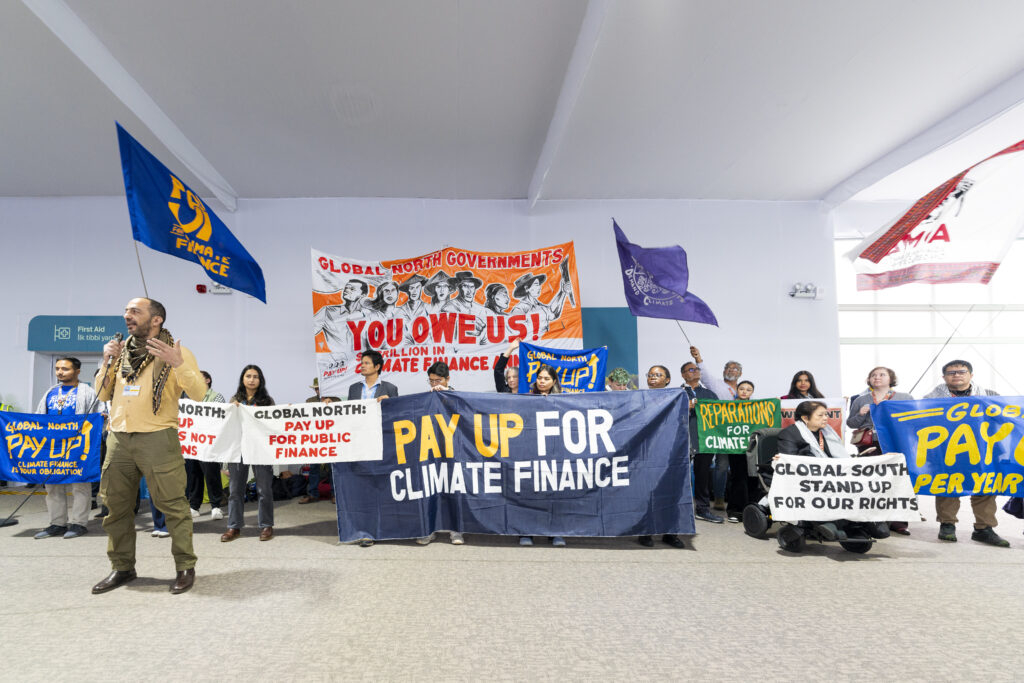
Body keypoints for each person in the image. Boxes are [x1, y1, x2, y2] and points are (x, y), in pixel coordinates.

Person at [92, 297, 205, 595]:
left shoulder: (178, 352)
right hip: (118, 438)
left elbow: (199, 394)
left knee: (173, 507)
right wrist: (106, 361)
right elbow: (102, 394)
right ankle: (122, 567)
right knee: (115, 507)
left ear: (156, 319)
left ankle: (184, 566)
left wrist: (177, 364)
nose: (127, 315)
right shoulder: (120, 352)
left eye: (135, 311)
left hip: (158, 438)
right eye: (126, 311)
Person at [922, 360, 1008, 547]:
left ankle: (984, 529)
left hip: (983, 448)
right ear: (944, 377)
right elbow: (923, 421)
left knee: (985, 486)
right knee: (947, 485)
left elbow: (1004, 418)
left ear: (971, 375)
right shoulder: (930, 398)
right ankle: (947, 525)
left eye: (962, 371)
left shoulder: (991, 395)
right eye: (951, 372)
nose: (957, 375)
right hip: (947, 448)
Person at [33, 357, 102, 540]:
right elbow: (39, 417)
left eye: (65, 369)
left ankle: (79, 523)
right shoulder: (50, 392)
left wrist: (102, 418)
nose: (60, 372)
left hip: (78, 446)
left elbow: (98, 414)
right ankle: (57, 523)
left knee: (80, 484)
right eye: (57, 368)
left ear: (77, 371)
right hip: (52, 446)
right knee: (53, 484)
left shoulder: (87, 392)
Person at [775, 400, 856, 541]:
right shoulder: (789, 433)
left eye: (826, 414)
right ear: (805, 418)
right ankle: (824, 522)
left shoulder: (827, 432)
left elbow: (839, 456)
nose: (825, 418)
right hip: (803, 477)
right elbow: (791, 462)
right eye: (820, 415)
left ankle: (860, 522)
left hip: (828, 474)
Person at [847, 366, 913, 534]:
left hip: (896, 443)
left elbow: (913, 420)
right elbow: (851, 424)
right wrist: (861, 414)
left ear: (891, 379)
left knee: (898, 481)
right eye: (873, 375)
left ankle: (898, 522)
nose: (877, 377)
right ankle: (872, 520)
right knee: (871, 481)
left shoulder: (905, 398)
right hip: (869, 445)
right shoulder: (860, 400)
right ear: (869, 380)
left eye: (882, 374)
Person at [638, 364, 698, 548]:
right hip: (649, 452)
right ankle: (646, 531)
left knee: (675, 492)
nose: (653, 377)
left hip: (674, 451)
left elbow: (690, 408)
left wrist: (687, 403)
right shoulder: (639, 397)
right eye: (650, 374)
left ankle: (671, 532)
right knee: (648, 492)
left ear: (668, 380)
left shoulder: (679, 395)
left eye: (658, 374)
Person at [348, 350, 399, 547]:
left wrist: (388, 404)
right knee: (364, 487)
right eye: (362, 363)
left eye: (367, 363)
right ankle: (366, 530)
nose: (362, 366)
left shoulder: (390, 388)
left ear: (377, 367)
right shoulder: (353, 388)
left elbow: (397, 415)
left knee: (382, 486)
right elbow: (347, 414)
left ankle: (384, 528)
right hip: (359, 444)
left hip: (381, 443)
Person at [221, 365, 276, 543]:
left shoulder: (267, 400)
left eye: (255, 376)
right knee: (235, 490)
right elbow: (227, 426)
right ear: (242, 379)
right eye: (248, 376)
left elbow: (275, 423)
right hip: (239, 448)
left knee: (264, 489)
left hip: (260, 448)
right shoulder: (234, 400)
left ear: (260, 380)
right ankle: (233, 526)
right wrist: (231, 409)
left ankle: (266, 525)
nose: (252, 379)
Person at [417, 361, 465, 546]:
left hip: (454, 450)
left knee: (454, 489)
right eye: (431, 380)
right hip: (431, 450)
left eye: (438, 380)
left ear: (447, 379)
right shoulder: (426, 397)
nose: (434, 383)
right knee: (430, 489)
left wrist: (444, 397)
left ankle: (456, 531)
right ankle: (429, 530)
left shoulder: (458, 396)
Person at [689, 346, 742, 509]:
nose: (731, 370)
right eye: (728, 367)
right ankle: (718, 497)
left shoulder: (744, 389)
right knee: (721, 466)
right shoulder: (716, 385)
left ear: (740, 373)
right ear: (723, 370)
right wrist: (698, 358)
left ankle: (737, 499)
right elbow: (703, 374)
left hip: (737, 433)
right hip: (718, 431)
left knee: (738, 467)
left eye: (735, 368)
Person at [674, 362, 724, 527]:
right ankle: (677, 510)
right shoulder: (677, 393)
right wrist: (685, 407)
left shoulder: (709, 394)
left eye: (696, 369)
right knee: (679, 476)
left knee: (702, 476)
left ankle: (702, 509)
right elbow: (670, 414)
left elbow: (720, 415)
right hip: (683, 439)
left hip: (705, 439)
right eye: (691, 369)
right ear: (683, 375)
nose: (695, 371)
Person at [523, 364, 566, 547]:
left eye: (546, 378)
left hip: (554, 453)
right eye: (540, 378)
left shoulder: (565, 401)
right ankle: (527, 532)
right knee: (529, 493)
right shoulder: (524, 399)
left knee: (554, 494)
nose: (542, 381)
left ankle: (555, 532)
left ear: (554, 381)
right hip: (530, 453)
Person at [185, 370, 227, 521]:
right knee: (194, 473)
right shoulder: (187, 396)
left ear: (208, 380)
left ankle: (216, 506)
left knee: (212, 474)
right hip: (192, 441)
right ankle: (194, 506)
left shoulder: (217, 396)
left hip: (208, 442)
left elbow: (219, 417)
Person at [298, 378, 342, 504]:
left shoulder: (336, 400)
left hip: (331, 438)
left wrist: (331, 403)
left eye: (320, 388)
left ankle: (335, 494)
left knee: (332, 467)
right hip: (315, 438)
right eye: (316, 388)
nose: (318, 391)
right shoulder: (309, 401)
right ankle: (312, 494)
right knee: (314, 468)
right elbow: (304, 417)